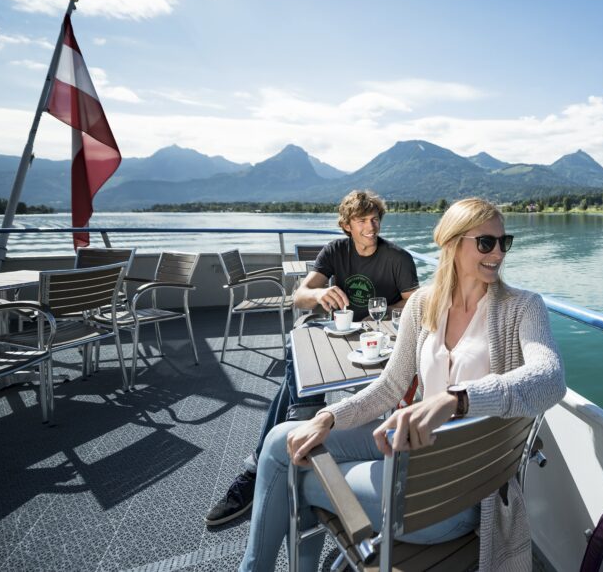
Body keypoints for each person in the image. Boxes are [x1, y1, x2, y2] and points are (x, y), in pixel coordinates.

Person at [239, 198, 566, 571]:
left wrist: (454, 400)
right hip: (409, 447)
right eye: (486, 243)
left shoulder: (523, 307)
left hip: (456, 492)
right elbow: (391, 386)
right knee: (282, 439)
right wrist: (328, 416)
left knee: (300, 477)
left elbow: (550, 378)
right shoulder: (423, 303)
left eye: (503, 243)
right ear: (452, 244)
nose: (498, 254)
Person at [205, 190, 419, 526]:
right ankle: (294, 441)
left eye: (375, 218)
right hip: (339, 336)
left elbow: (414, 303)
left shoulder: (398, 258)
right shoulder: (335, 251)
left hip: (380, 345)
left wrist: (383, 311)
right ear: (346, 225)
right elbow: (300, 297)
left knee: (297, 382)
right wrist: (319, 293)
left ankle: (260, 464)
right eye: (362, 220)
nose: (371, 225)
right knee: (300, 357)